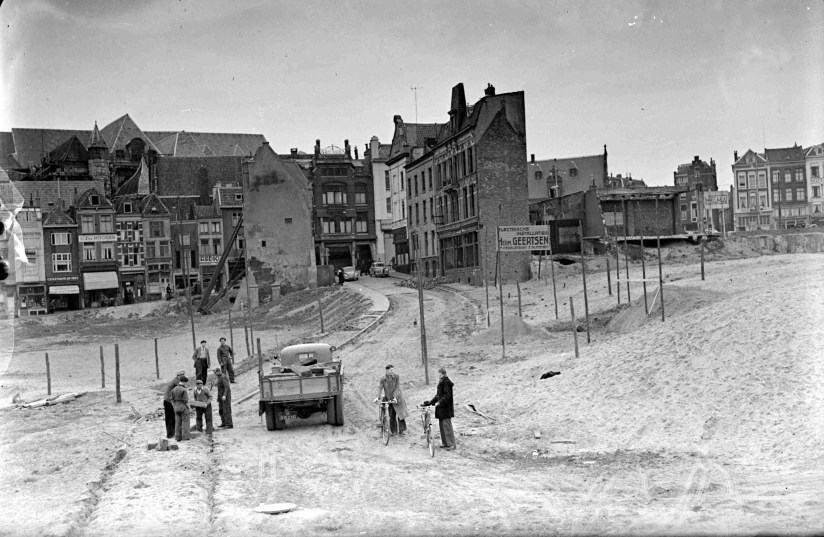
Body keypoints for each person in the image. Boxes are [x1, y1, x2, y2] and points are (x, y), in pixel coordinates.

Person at [424, 366, 455, 450]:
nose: (438, 375)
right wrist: (430, 402)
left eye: (438, 374)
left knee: (447, 426)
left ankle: (451, 444)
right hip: (441, 409)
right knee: (442, 426)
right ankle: (445, 443)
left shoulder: (446, 382)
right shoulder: (442, 382)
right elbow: (438, 395)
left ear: (441, 374)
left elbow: (447, 395)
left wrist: (439, 402)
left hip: (445, 408)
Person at [374, 364, 409, 436]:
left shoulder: (396, 377)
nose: (392, 371)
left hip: (398, 398)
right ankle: (393, 431)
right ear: (387, 370)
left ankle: (401, 430)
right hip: (389, 399)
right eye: (391, 370)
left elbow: (397, 388)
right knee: (391, 414)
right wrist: (378, 397)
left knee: (400, 414)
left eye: (393, 370)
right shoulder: (382, 379)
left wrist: (395, 397)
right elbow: (380, 388)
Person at [163, 370, 186, 438]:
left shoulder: (176, 380)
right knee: (170, 418)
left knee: (172, 418)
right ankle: (170, 434)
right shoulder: (177, 381)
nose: (184, 377)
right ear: (180, 376)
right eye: (183, 376)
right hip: (169, 402)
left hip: (169, 401)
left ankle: (172, 433)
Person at [171, 374, 191, 441]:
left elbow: (171, 399)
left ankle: (178, 437)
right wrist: (190, 408)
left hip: (176, 406)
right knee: (185, 422)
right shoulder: (183, 390)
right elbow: (186, 401)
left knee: (177, 423)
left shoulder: (174, 389)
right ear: (184, 382)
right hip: (183, 406)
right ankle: (185, 437)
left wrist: (174, 406)